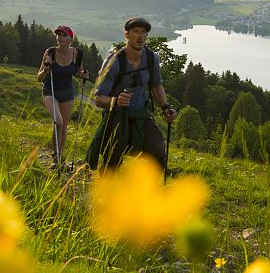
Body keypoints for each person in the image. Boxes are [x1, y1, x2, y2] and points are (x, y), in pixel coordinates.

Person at [86, 17, 177, 171]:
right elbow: (98, 98)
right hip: (116, 117)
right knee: (112, 163)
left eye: (144, 32)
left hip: (141, 114)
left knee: (158, 152)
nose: (140, 36)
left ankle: (147, 192)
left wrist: (165, 107)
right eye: (135, 32)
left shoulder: (151, 58)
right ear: (126, 35)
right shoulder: (114, 62)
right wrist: (115, 101)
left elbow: (155, 85)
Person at [37, 25, 89, 168]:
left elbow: (78, 72)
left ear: (70, 38)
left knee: (64, 128)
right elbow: (39, 78)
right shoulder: (50, 52)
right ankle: (56, 155)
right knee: (58, 122)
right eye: (58, 34)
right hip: (50, 91)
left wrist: (83, 74)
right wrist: (46, 68)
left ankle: (60, 158)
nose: (60, 37)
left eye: (64, 35)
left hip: (67, 93)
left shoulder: (77, 54)